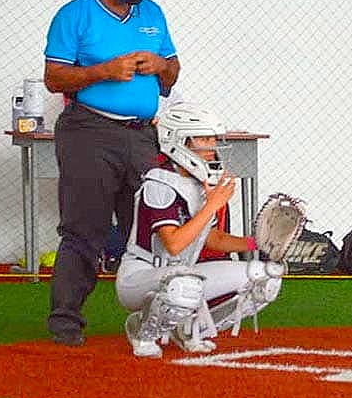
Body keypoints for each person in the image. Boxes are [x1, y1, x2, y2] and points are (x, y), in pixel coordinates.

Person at [43, 0, 180, 346]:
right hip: (89, 132)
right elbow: (53, 78)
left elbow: (173, 74)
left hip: (142, 137)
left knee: (153, 226)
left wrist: (159, 64)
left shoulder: (153, 14)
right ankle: (66, 322)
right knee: (85, 228)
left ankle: (159, 320)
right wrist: (103, 70)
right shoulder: (74, 14)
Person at [115, 102, 285, 358]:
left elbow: (213, 239)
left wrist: (257, 244)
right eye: (204, 138)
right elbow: (173, 244)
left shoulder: (198, 182)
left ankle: (191, 329)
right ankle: (142, 330)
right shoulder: (158, 182)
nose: (212, 147)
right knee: (184, 284)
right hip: (140, 276)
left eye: (213, 139)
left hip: (182, 272)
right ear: (179, 141)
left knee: (265, 277)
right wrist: (213, 205)